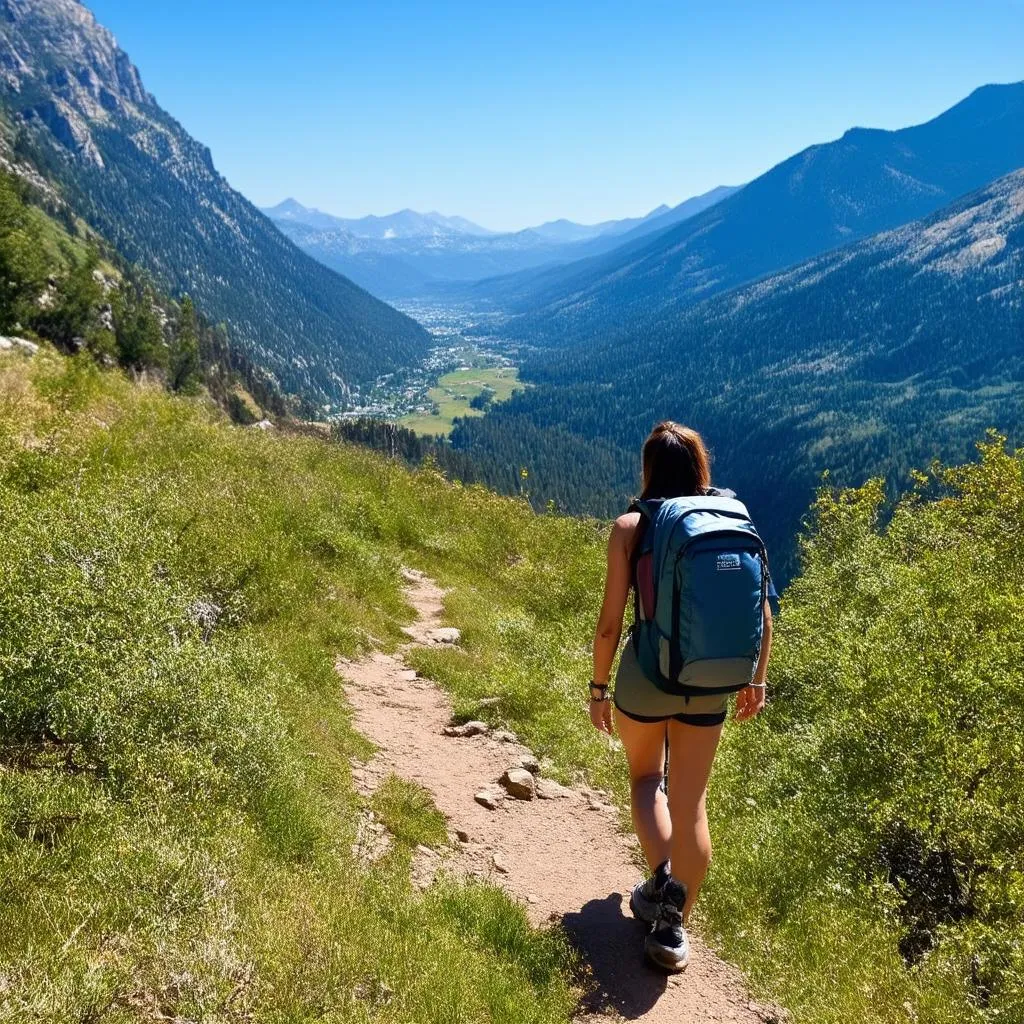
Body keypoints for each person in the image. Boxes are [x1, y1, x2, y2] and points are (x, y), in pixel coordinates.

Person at [589, 421, 774, 972]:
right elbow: (763, 617)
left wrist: (599, 688)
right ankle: (673, 927)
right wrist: (755, 679)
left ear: (648, 469)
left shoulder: (630, 526)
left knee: (648, 780)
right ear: (700, 468)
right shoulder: (733, 521)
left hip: (647, 677)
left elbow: (609, 624)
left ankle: (660, 884)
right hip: (711, 684)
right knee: (692, 801)